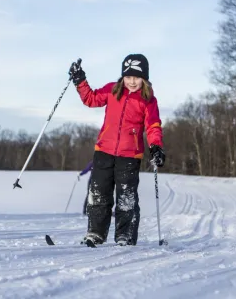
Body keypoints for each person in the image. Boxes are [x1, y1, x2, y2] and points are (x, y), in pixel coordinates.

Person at [69, 54, 165, 246]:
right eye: (128, 77)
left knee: (126, 198)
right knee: (98, 194)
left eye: (136, 77)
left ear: (144, 78)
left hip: (129, 155)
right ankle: (95, 233)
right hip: (104, 151)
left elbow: (153, 126)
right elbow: (91, 98)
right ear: (123, 77)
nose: (132, 82)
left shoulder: (148, 100)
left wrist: (156, 147)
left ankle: (125, 235)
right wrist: (80, 81)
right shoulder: (113, 90)